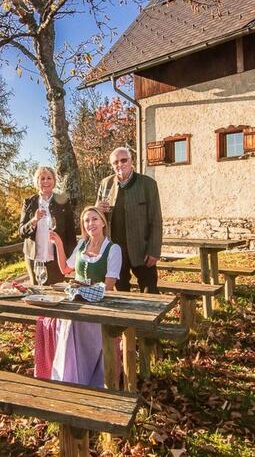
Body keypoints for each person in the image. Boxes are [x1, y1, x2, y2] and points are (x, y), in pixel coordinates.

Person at [48, 206, 121, 387]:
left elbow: (108, 286)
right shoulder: (82, 245)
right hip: (78, 302)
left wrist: (81, 287)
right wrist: (58, 244)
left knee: (75, 323)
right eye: (86, 220)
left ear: (103, 222)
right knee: (64, 320)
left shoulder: (113, 249)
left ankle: (91, 379)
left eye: (94, 219)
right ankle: (69, 378)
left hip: (101, 305)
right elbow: (66, 269)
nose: (90, 223)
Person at [96, 146, 162, 293]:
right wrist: (98, 208)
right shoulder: (105, 184)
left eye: (124, 160)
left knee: (150, 292)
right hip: (116, 251)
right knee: (121, 295)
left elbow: (156, 220)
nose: (120, 164)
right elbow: (96, 216)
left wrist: (154, 250)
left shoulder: (148, 184)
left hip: (142, 249)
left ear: (131, 161)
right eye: (115, 162)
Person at [18, 165, 76, 286]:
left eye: (49, 178)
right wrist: (33, 221)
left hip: (56, 258)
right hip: (34, 258)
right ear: (37, 182)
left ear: (54, 181)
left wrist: (71, 258)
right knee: (37, 291)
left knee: (57, 292)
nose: (45, 181)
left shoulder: (63, 201)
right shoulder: (29, 202)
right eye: (42, 178)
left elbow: (71, 232)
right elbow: (21, 232)